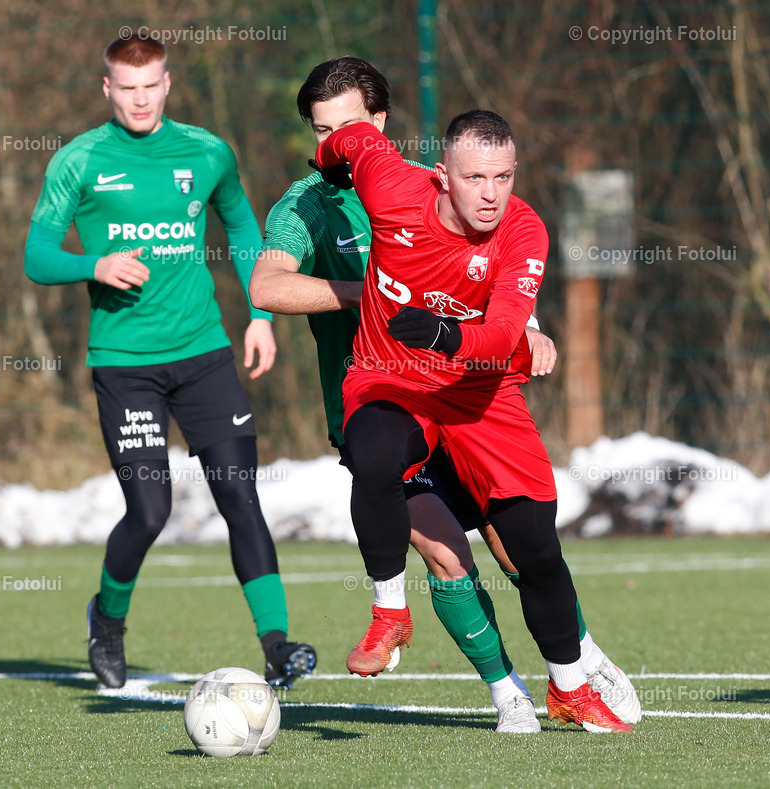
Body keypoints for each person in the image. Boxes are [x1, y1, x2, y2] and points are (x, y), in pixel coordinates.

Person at [251, 57, 639, 731]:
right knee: (442, 550)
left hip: (471, 395)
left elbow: (499, 282)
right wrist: (364, 292)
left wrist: (518, 329)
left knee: (522, 550)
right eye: (318, 131)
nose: (328, 144)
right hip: (384, 389)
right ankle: (503, 688)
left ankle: (576, 665)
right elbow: (266, 287)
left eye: (340, 128)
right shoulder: (306, 203)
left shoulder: (442, 185)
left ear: (378, 124)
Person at [23, 32, 315, 690]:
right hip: (125, 364)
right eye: (126, 88)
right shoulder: (80, 161)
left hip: (205, 355)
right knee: (149, 512)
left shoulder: (208, 151)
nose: (139, 99)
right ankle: (108, 618)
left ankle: (276, 645)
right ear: (107, 89)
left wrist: (261, 316)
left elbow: (243, 229)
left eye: (150, 85)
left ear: (168, 82)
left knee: (241, 496)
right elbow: (35, 257)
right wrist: (92, 264)